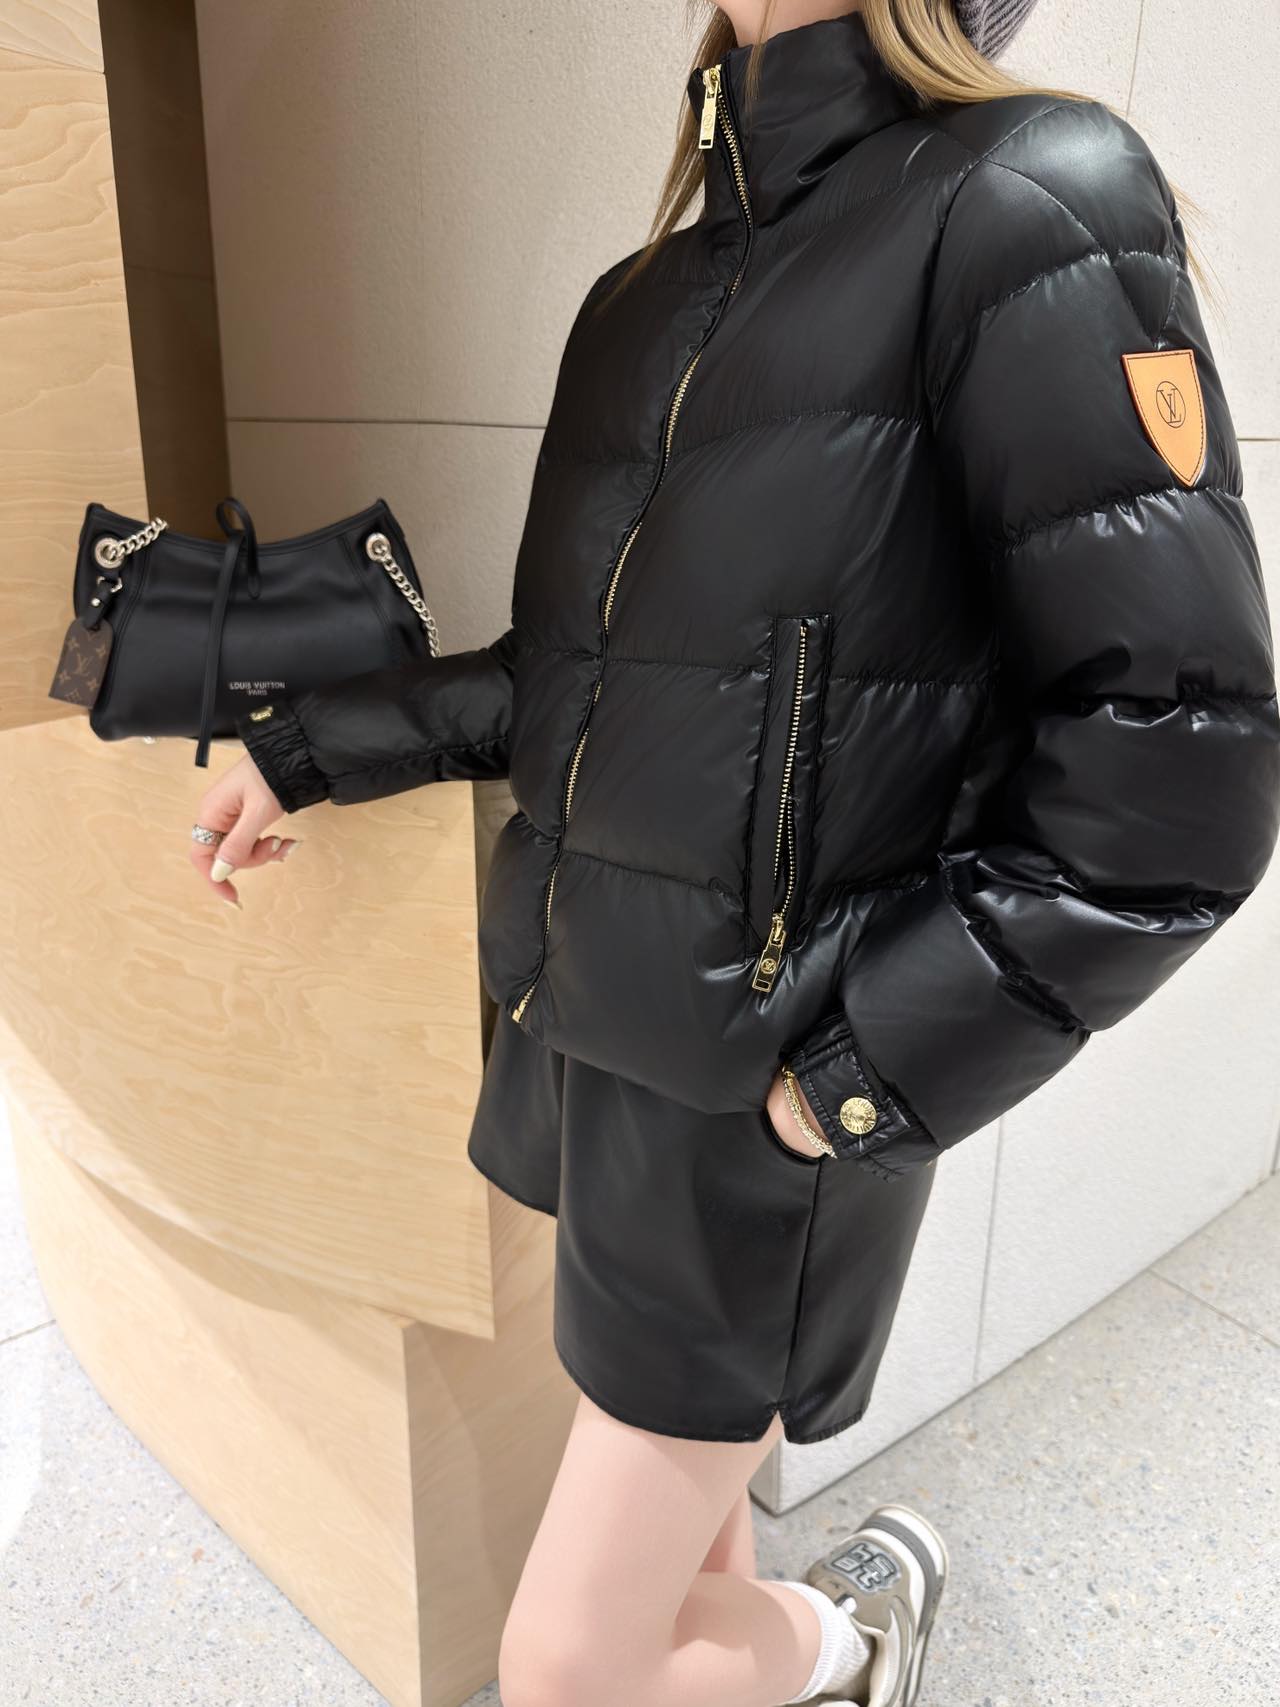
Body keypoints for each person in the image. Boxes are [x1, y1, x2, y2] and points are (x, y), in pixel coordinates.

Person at [188, 3, 1280, 1702]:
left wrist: (848, 1084)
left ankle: (855, 1638)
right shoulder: (637, 304)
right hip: (590, 1034)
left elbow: (1179, 769)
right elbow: (569, 683)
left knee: (573, 1664)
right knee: (682, 1530)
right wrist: (304, 747)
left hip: (774, 1086)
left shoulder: (1028, 196)